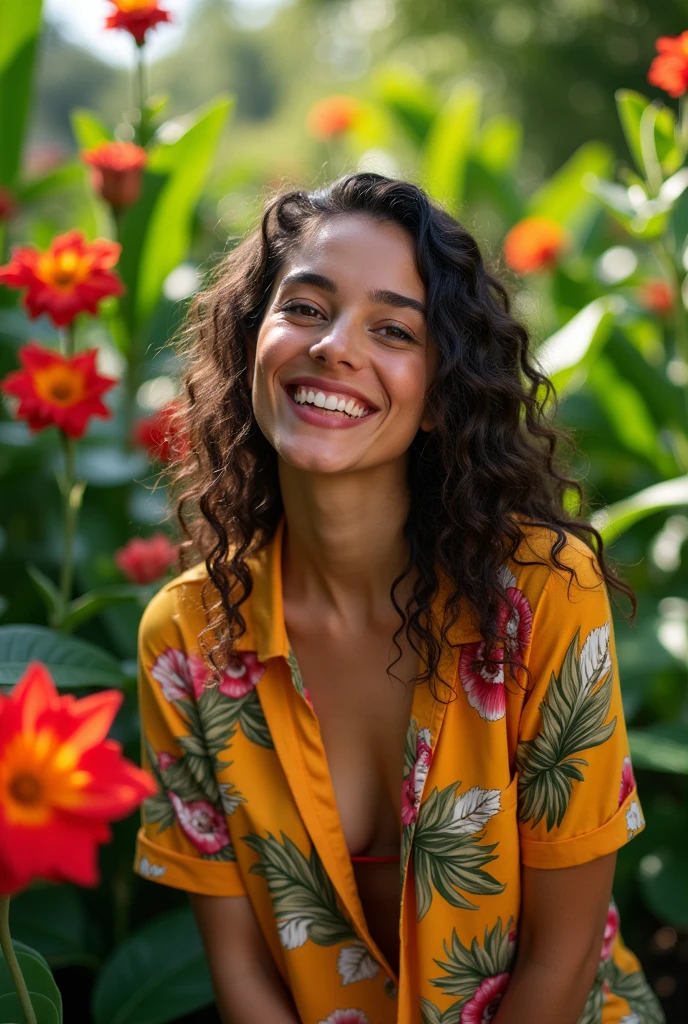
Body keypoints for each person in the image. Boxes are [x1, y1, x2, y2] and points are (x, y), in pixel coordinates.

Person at [133, 173, 664, 1024]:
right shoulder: (188, 638)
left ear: (441, 391)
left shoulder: (543, 595)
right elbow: (243, 977)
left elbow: (561, 963)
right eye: (305, 307)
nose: (336, 347)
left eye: (393, 329)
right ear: (249, 341)